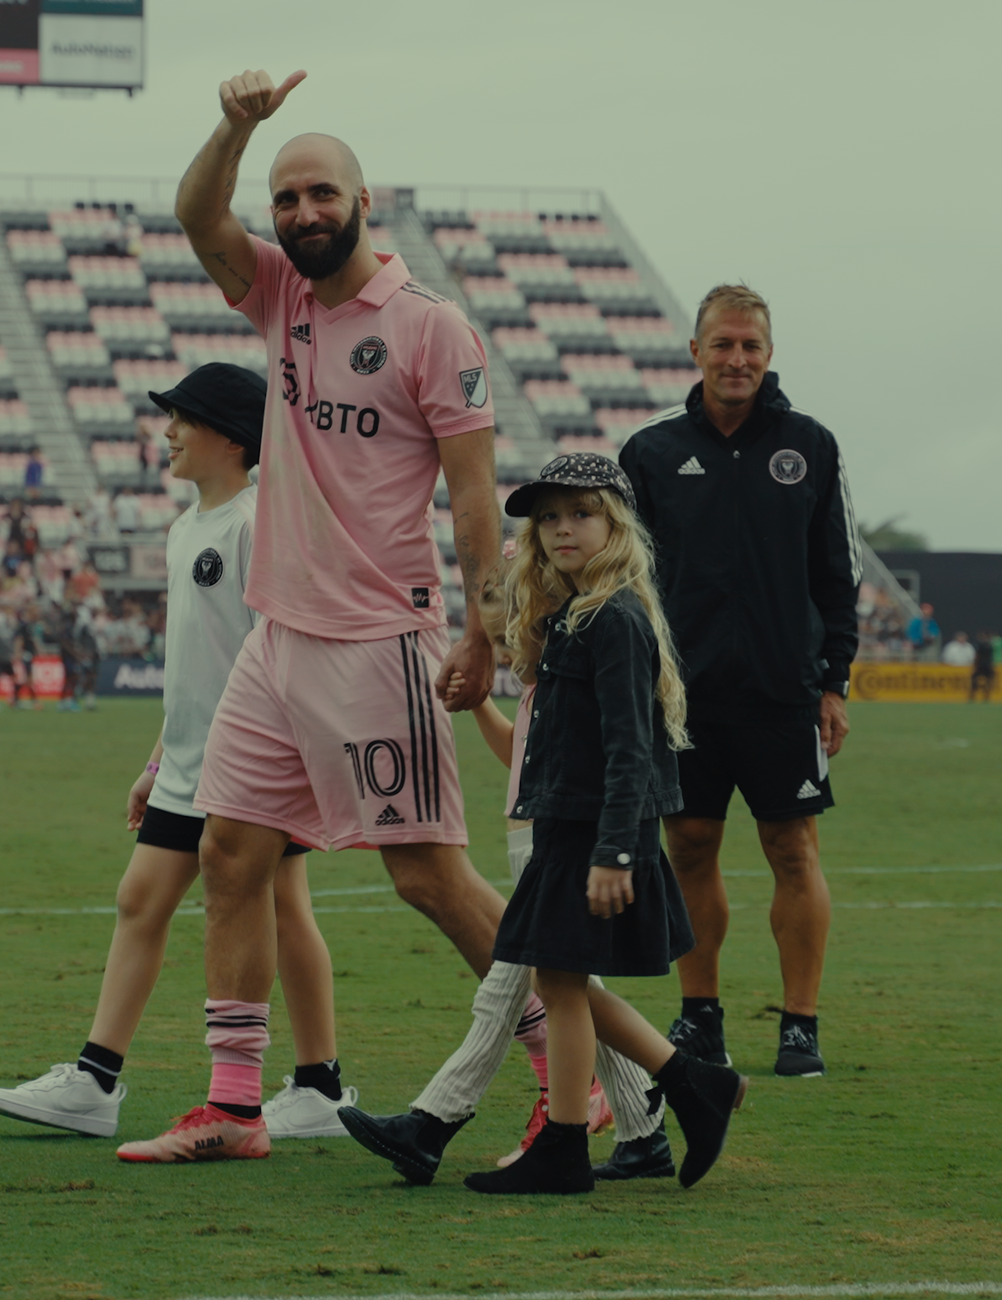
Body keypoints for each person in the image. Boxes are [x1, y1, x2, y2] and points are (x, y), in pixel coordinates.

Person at [113, 69, 506, 1164]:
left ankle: (579, 1068)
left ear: (363, 200)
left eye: (320, 194)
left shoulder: (432, 329)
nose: (301, 214)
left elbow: (473, 496)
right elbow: (197, 215)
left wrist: (484, 631)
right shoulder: (280, 294)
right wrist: (236, 128)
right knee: (231, 853)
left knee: (428, 877)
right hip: (277, 634)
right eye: (287, 199)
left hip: (379, 639)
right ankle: (234, 1107)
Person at [0, 364, 358, 1142]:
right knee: (144, 900)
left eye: (182, 419)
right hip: (190, 762)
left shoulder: (260, 523)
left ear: (230, 435)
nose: (167, 434)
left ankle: (317, 1085)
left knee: (283, 911)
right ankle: (96, 1081)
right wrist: (159, 758)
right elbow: (194, 662)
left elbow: (284, 647)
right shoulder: (185, 527)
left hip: (256, 759)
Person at [339, 516, 669, 1187]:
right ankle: (650, 1124)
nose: (503, 615)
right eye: (497, 600)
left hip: (551, 842)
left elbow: (614, 753)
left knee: (510, 990)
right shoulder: (546, 664)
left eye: (515, 596)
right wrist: (484, 709)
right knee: (572, 990)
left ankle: (433, 1120)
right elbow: (521, 759)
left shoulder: (580, 645)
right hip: (535, 835)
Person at [458, 456, 744, 1193]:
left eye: (580, 513)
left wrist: (616, 851)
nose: (561, 529)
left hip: (592, 834)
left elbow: (631, 746)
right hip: (563, 827)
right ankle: (688, 1084)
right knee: (559, 984)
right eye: (548, 518)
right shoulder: (574, 615)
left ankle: (568, 1142)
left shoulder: (613, 617)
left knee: (560, 984)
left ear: (615, 524)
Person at [617, 283, 857, 1079]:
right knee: (688, 847)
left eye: (751, 346)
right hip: (680, 699)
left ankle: (800, 1026)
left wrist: (835, 684)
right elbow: (625, 577)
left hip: (784, 694)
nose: (737, 359)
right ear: (695, 352)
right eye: (722, 344)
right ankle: (701, 1017)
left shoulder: (811, 447)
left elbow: (837, 576)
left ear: (769, 354)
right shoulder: (649, 453)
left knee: (794, 849)